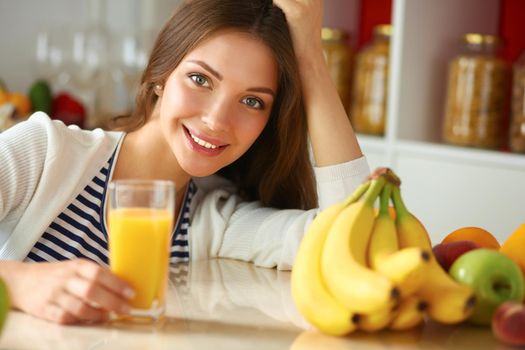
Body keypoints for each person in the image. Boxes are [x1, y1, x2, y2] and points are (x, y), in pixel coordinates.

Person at [0, 0, 369, 325]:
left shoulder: (214, 222)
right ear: (161, 76)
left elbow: (353, 238)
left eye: (253, 101)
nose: (217, 120)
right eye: (200, 79)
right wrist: (18, 282)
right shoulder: (45, 151)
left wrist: (311, 60)